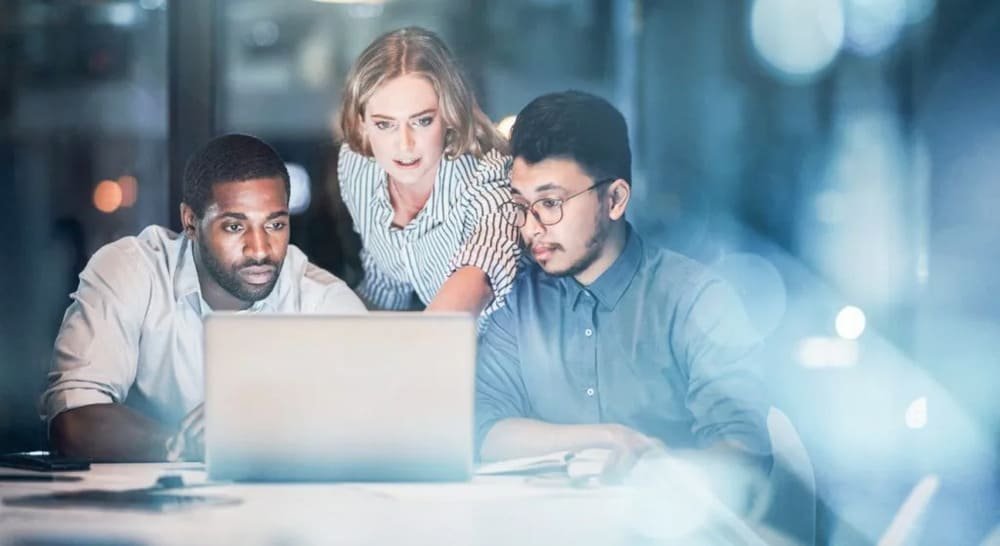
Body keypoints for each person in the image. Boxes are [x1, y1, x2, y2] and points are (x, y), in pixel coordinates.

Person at [475, 91, 772, 492]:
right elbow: (483, 428)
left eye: (550, 203)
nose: (530, 228)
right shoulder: (517, 300)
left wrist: (661, 475)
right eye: (521, 205)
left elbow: (743, 452)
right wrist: (608, 439)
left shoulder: (695, 301)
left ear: (614, 199)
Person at [40, 134, 366, 462]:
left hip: (279, 509)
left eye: (275, 225)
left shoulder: (324, 302)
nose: (260, 249)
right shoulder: (133, 271)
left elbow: (373, 427)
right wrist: (187, 445)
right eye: (235, 227)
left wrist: (274, 424)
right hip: (145, 508)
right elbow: (72, 420)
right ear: (191, 222)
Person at [336, 27, 519, 316]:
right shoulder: (358, 166)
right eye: (385, 124)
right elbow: (387, 283)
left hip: (506, 352)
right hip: (432, 346)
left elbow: (478, 280)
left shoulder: (487, 178)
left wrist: (414, 352)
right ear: (362, 122)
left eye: (421, 121)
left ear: (449, 115)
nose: (404, 144)